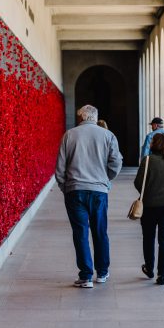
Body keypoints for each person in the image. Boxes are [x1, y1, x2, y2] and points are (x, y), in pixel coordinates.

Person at [56, 105, 123, 288]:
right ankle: (102, 272)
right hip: (99, 191)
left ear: (80, 117)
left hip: (75, 190)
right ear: (95, 117)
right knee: (100, 232)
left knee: (80, 233)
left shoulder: (69, 135)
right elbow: (116, 162)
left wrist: (65, 187)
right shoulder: (107, 135)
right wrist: (105, 179)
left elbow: (60, 167)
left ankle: (85, 276)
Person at [134, 133, 164, 285]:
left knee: (149, 237)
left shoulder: (147, 161)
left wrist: (147, 192)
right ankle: (162, 274)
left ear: (154, 144)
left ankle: (150, 268)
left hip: (150, 205)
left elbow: (138, 182)